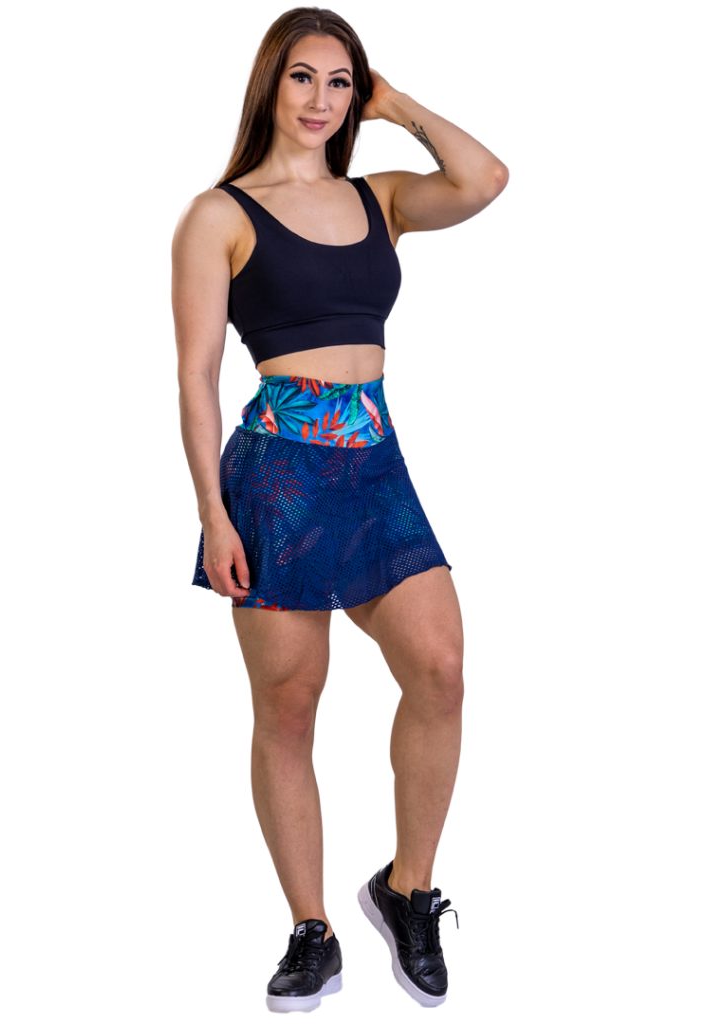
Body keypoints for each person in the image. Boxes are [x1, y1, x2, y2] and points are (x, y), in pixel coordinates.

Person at [173, 7, 507, 1012]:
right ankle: (311, 930)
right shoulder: (219, 214)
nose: (321, 99)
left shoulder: (381, 197)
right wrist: (213, 513)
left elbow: (484, 178)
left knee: (440, 668)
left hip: (376, 466)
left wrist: (396, 104)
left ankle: (406, 889)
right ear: (269, 85)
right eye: (303, 77)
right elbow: (194, 375)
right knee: (289, 702)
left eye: (340, 82)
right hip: (277, 478)